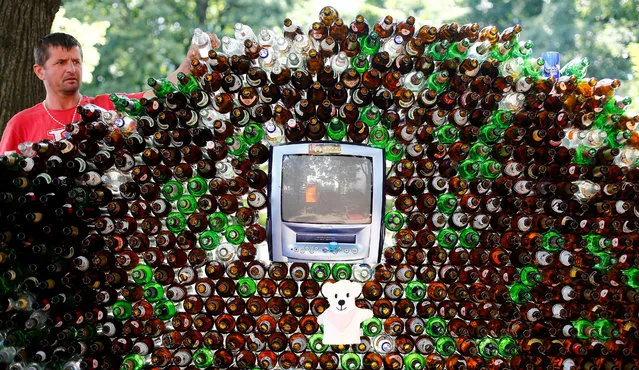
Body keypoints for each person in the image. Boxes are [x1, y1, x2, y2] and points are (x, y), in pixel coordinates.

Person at [0, 32, 220, 154]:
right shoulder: (21, 124)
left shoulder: (105, 107)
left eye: (76, 61)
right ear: (40, 71)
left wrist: (189, 64)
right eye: (60, 62)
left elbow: (153, 95)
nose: (70, 68)